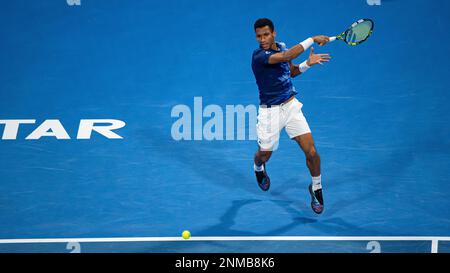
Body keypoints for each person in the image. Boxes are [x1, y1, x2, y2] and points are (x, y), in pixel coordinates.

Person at [251, 18, 331, 214]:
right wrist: (312, 38)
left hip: (291, 106)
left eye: (266, 35)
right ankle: (258, 167)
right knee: (265, 154)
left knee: (311, 152)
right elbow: (286, 57)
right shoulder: (259, 56)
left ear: (274, 33)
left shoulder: (282, 47)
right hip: (269, 113)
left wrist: (307, 64)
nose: (262, 39)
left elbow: (290, 72)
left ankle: (316, 187)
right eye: (259, 36)